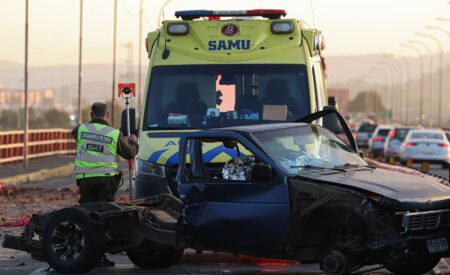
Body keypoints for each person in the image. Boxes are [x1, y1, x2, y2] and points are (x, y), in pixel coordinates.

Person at [72, 102, 138, 267]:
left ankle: (86, 255)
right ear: (107, 115)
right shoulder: (114, 134)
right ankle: (100, 257)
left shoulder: (81, 129)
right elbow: (129, 154)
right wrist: (133, 141)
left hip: (86, 180)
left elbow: (76, 134)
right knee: (103, 219)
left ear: (91, 114)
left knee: (86, 218)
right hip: (106, 181)